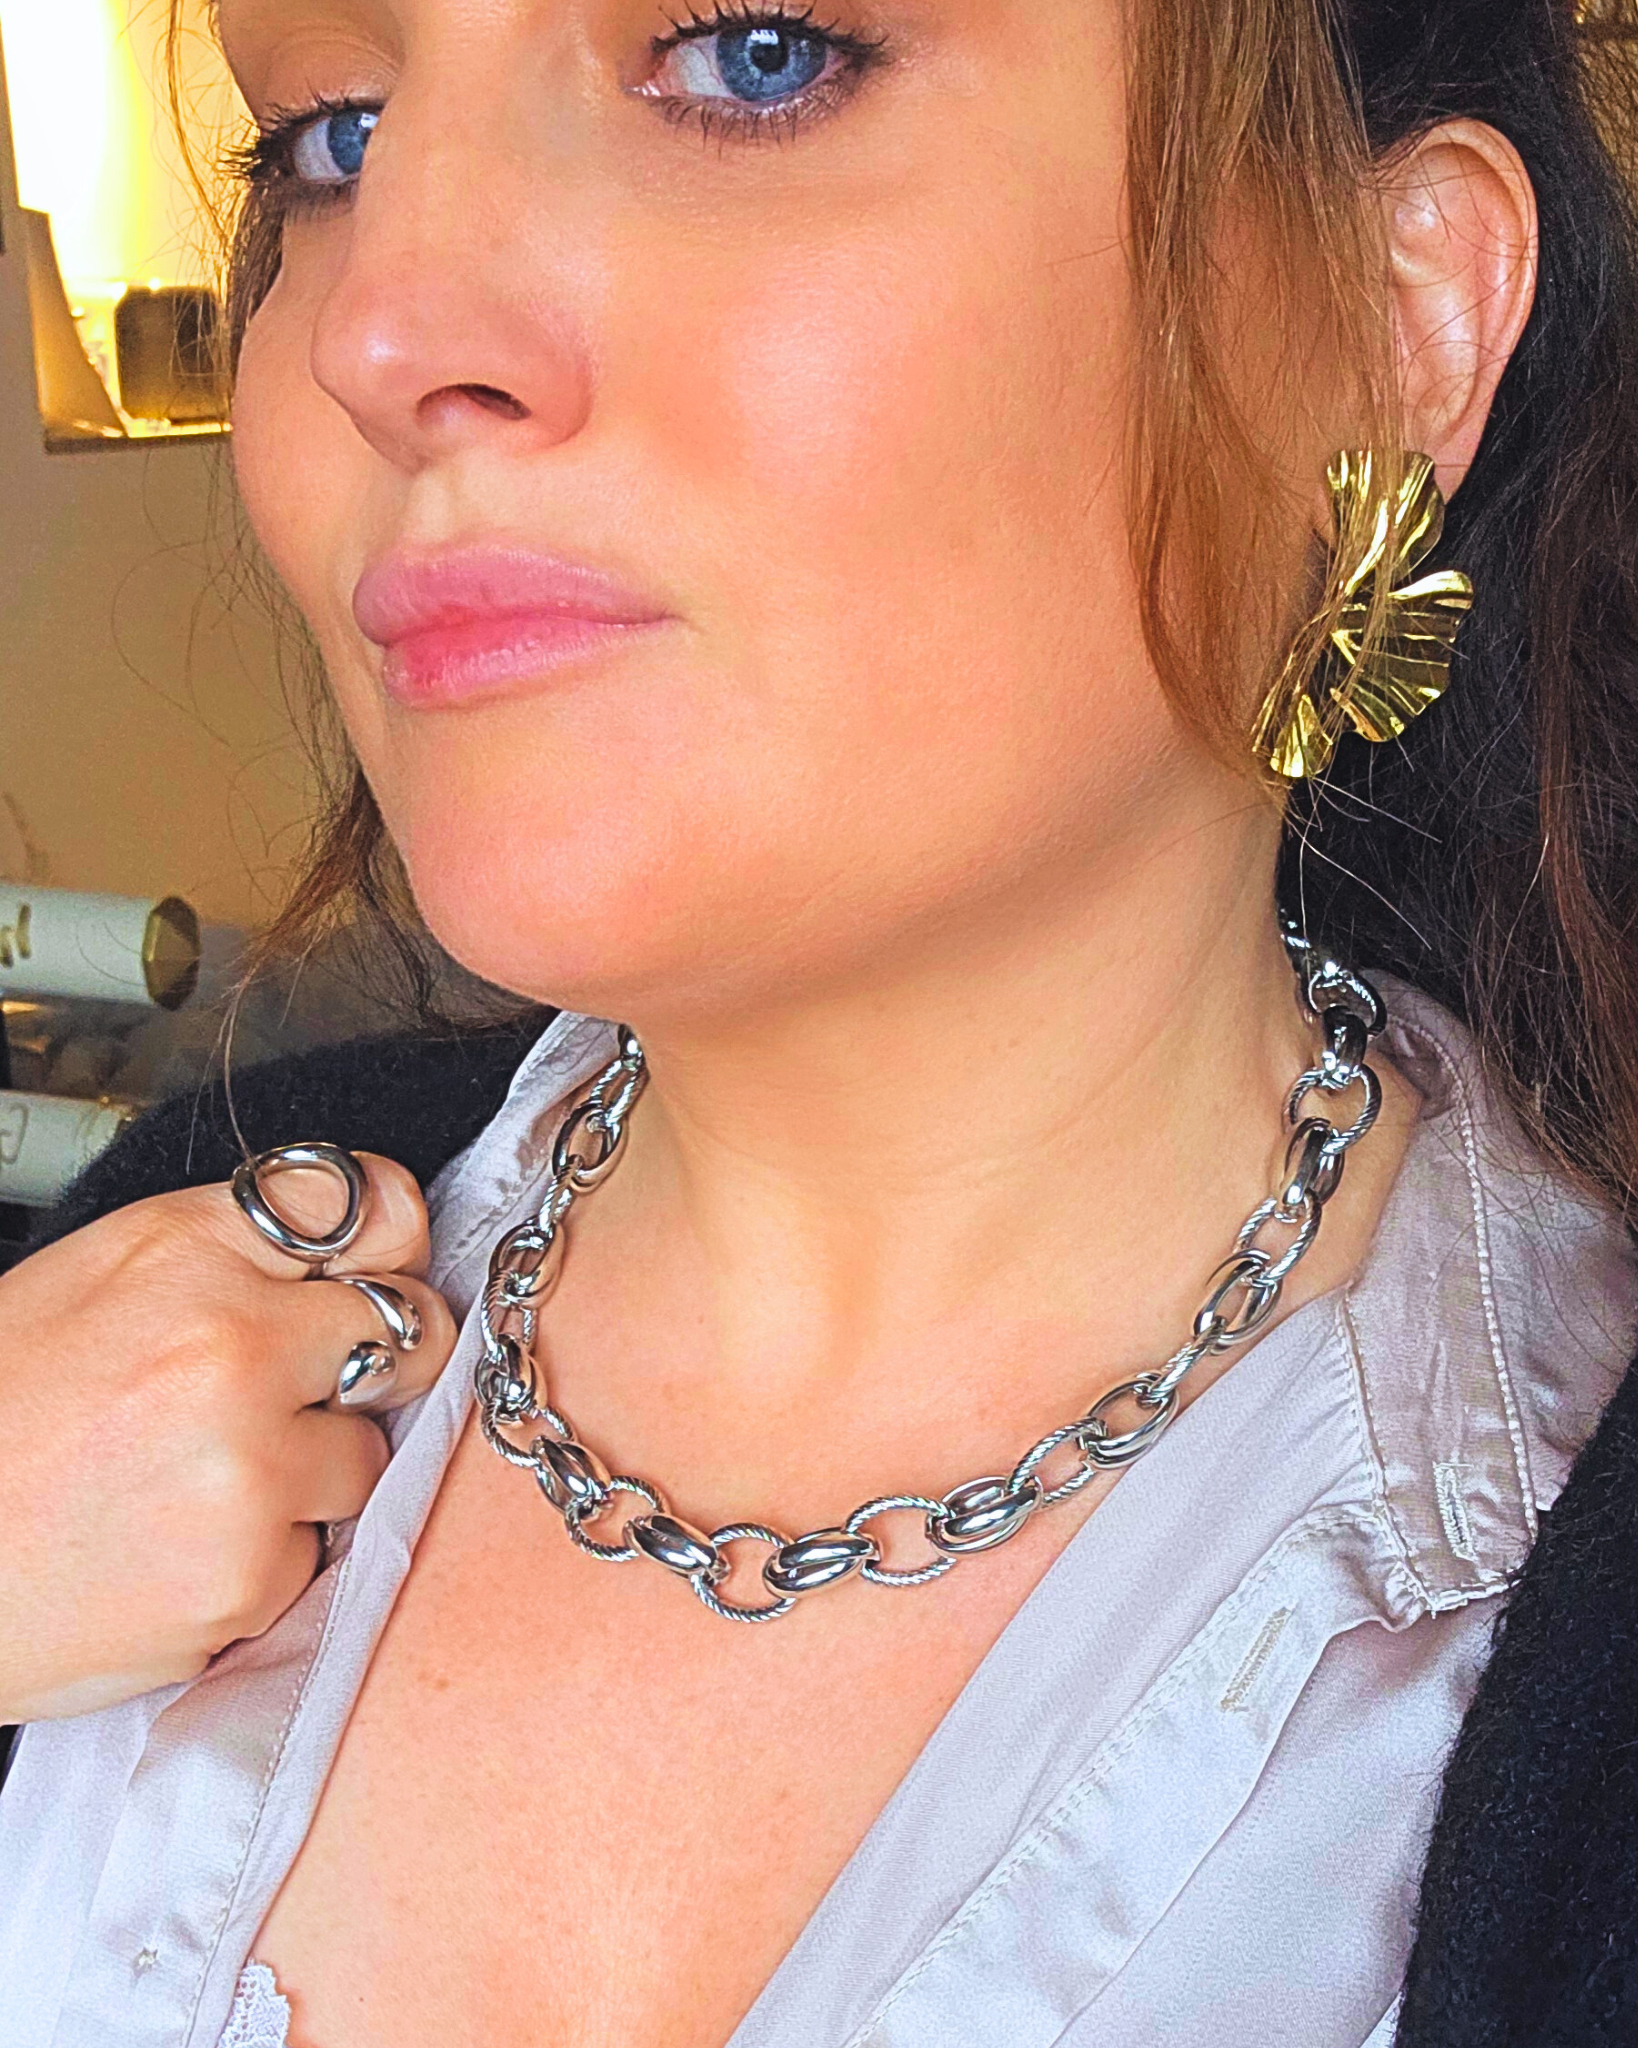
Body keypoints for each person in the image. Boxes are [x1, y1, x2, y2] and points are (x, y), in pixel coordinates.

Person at [3, 0, 1638, 2042]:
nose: (379, 331)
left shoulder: (1559, 1656)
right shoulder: (142, 1291)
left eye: (754, 56)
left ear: (1386, 326)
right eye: (332, 137)